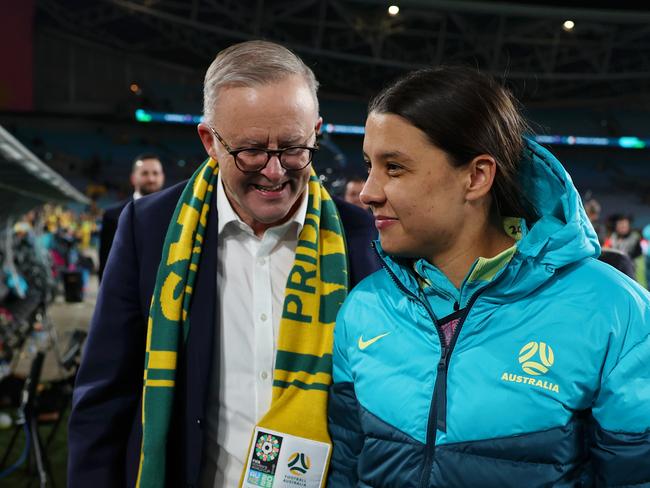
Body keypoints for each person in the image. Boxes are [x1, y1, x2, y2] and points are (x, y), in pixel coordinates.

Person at [68, 41, 378, 488]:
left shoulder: (363, 240)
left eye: (293, 148)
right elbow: (103, 398)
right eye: (251, 151)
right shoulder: (147, 229)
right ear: (210, 141)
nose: (274, 172)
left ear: (316, 132)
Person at [328, 66, 650, 487]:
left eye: (394, 168)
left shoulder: (615, 312)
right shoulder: (364, 306)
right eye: (369, 165)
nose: (368, 192)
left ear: (477, 176)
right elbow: (346, 471)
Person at [98, 154, 165, 280]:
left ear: (162, 177)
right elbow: (105, 262)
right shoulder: (112, 215)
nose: (151, 179)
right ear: (133, 178)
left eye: (155, 173)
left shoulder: (178, 212)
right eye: (145, 173)